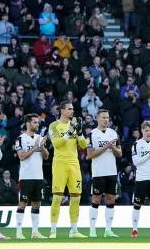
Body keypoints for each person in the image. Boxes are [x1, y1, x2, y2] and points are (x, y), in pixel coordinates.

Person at [48, 101, 88, 238]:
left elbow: (83, 146)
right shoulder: (54, 126)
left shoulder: (75, 124)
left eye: (73, 109)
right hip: (60, 163)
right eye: (70, 109)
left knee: (76, 197)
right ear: (62, 110)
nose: (72, 111)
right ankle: (53, 231)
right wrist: (68, 133)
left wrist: (80, 133)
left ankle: (74, 230)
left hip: (74, 164)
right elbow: (56, 145)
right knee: (57, 197)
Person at [87, 109, 122, 238]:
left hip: (111, 172)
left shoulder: (113, 133)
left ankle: (108, 230)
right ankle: (92, 230)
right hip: (98, 172)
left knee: (111, 199)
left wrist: (112, 147)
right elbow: (90, 155)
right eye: (103, 117)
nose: (106, 120)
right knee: (96, 199)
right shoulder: (91, 134)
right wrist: (106, 147)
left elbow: (120, 153)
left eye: (107, 117)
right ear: (97, 119)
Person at [15, 114, 49, 239]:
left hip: (38, 176)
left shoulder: (40, 138)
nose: (37, 124)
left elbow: (46, 156)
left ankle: (35, 232)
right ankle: (19, 232)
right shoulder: (20, 138)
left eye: (38, 122)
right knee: (23, 203)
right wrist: (35, 148)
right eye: (35, 122)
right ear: (28, 123)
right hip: (26, 177)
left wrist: (42, 147)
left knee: (37, 203)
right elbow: (21, 156)